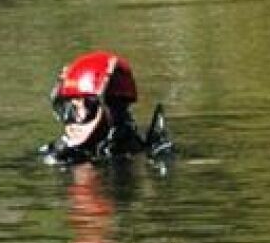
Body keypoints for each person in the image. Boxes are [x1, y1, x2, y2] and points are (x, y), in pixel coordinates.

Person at [40, 51, 172, 165]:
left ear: (114, 109)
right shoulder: (59, 153)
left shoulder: (139, 153)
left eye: (89, 107)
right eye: (69, 109)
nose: (75, 121)